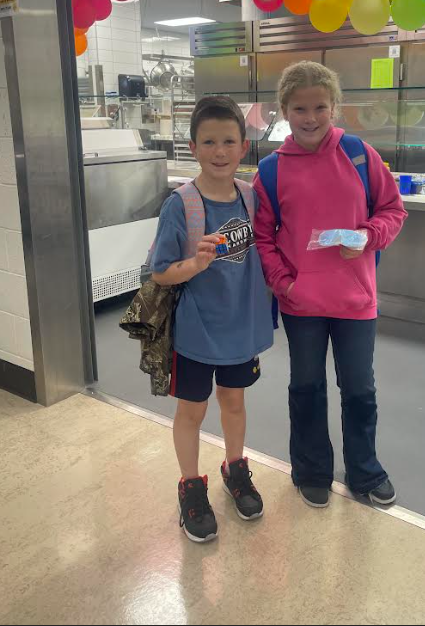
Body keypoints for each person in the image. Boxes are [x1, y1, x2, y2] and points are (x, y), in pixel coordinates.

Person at [253, 61, 407, 509]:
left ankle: (364, 470)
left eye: (320, 106)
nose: (310, 117)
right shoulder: (270, 170)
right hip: (301, 302)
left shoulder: (360, 154)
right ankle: (311, 468)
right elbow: (264, 237)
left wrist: (368, 237)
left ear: (334, 107)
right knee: (306, 387)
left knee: (359, 388)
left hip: (356, 299)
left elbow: (393, 210)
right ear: (283, 110)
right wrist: (285, 284)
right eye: (299, 108)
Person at [152, 95, 273, 542]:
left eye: (228, 141)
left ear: (244, 147)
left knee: (235, 402)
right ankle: (190, 485)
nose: (219, 151)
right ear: (192, 147)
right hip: (197, 332)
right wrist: (196, 266)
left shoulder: (250, 197)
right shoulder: (180, 205)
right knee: (192, 410)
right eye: (209, 142)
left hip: (241, 327)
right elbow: (162, 273)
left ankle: (235, 467)